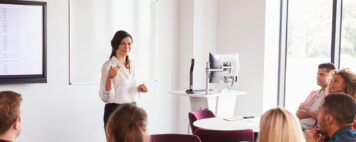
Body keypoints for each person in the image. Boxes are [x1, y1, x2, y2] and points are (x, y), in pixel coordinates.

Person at [99, 30, 148, 129]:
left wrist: (137, 89)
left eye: (129, 44)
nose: (127, 47)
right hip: (115, 112)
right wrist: (109, 78)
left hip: (132, 110)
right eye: (123, 44)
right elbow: (107, 98)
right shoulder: (108, 65)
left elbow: (125, 89)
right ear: (116, 45)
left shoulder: (132, 65)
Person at [296, 63, 335, 130]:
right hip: (298, 125)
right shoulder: (313, 93)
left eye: (321, 74)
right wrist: (311, 114)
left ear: (331, 76)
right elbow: (298, 113)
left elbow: (324, 118)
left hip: (312, 130)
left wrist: (307, 113)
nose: (317, 77)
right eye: (317, 74)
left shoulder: (332, 96)